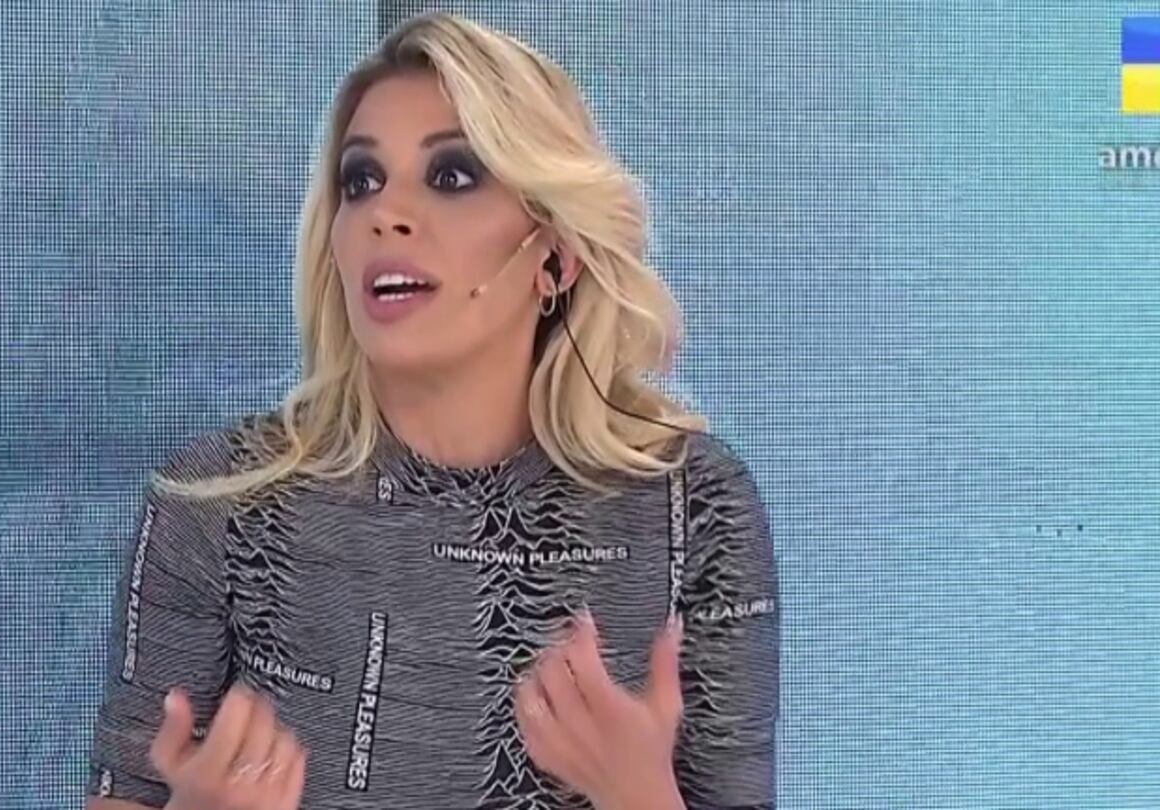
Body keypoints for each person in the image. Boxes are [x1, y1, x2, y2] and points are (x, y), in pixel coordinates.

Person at [85, 11, 779, 810]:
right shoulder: (217, 502)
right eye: (361, 181)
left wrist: (638, 795)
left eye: (451, 176)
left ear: (554, 257)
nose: (386, 213)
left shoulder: (696, 509)